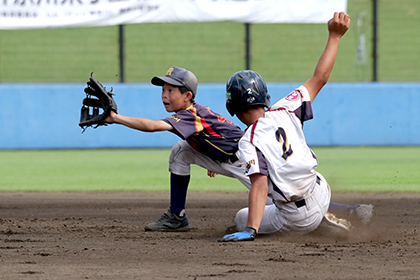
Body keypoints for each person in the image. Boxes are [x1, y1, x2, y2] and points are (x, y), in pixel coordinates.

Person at [106, 65, 372, 233]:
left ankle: (345, 213)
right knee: (180, 152)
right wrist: (209, 158)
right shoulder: (193, 115)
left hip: (245, 158)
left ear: (188, 96)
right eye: (163, 89)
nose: (165, 95)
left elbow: (153, 126)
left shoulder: (190, 116)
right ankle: (177, 216)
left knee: (276, 198)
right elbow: (206, 140)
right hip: (226, 157)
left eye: (171, 90)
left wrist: (116, 118)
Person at [219, 12, 359, 242]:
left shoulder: (249, 140)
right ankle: (322, 217)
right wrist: (335, 36)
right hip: (321, 190)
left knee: (241, 217)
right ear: (265, 96)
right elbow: (320, 77)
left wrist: (250, 229)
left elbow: (260, 184)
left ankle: (316, 225)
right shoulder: (286, 108)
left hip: (297, 217)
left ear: (232, 107)